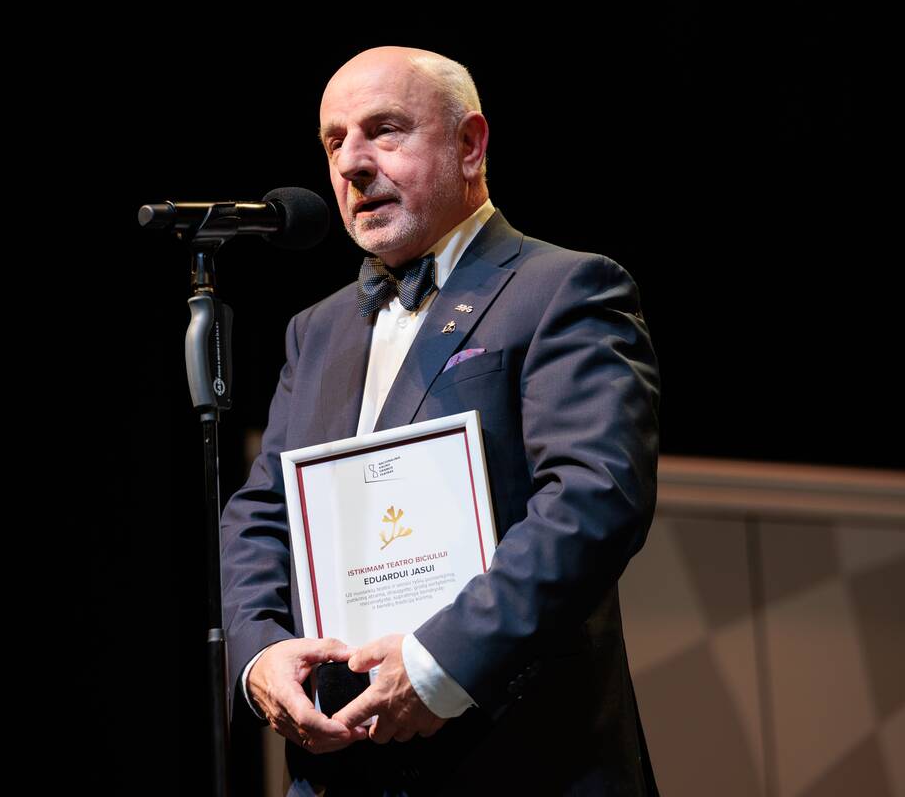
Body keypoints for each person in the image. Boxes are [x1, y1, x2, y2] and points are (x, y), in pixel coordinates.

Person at [220, 46, 661, 795]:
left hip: (521, 760)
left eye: (384, 131)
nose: (352, 163)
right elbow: (261, 513)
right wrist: (261, 654)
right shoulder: (314, 330)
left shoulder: (564, 288)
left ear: (470, 145)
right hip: (341, 767)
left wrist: (438, 663)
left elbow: (593, 500)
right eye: (334, 141)